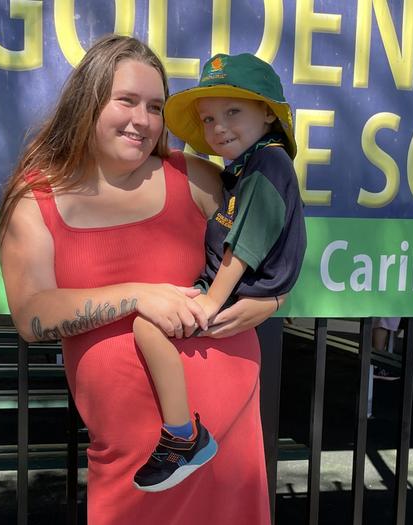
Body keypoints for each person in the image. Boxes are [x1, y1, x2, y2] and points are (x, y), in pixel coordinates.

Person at [0, 36, 275, 525]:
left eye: (155, 106)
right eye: (127, 100)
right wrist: (138, 295)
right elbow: (31, 314)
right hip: (130, 444)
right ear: (89, 101)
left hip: (218, 418)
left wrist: (271, 301)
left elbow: (271, 238)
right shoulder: (38, 196)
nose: (143, 119)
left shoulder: (201, 181)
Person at [131, 53, 306, 492]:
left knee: (147, 328)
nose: (219, 127)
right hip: (231, 291)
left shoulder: (269, 165)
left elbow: (243, 245)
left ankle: (182, 437)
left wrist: (210, 300)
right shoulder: (247, 167)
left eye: (233, 112)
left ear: (268, 112)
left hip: (230, 293)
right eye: (208, 119)